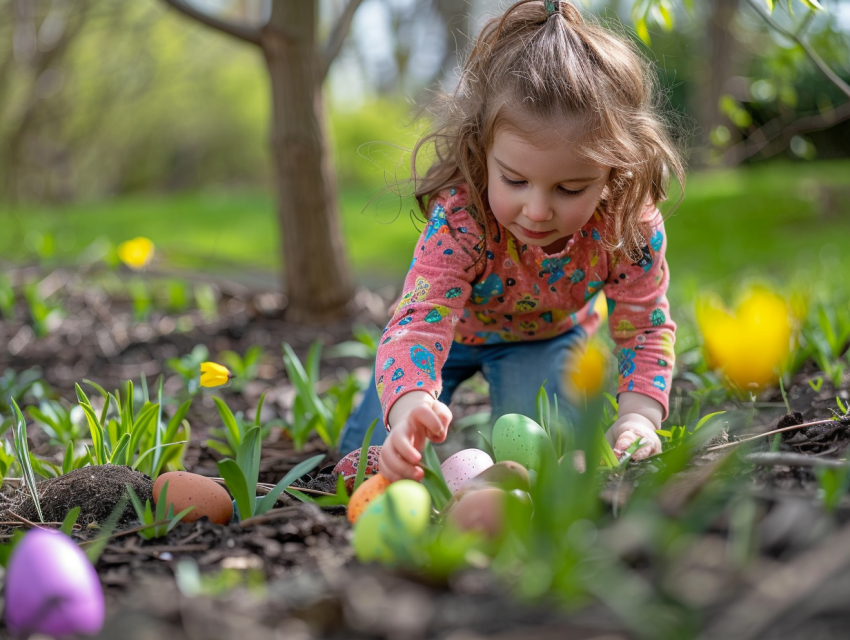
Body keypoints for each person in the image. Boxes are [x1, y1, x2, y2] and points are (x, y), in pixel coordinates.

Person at [339, 0, 685, 482]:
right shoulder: (464, 218)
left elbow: (644, 327)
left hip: (544, 340)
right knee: (368, 459)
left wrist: (639, 417)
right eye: (515, 180)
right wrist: (410, 406)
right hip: (450, 333)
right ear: (482, 150)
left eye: (570, 188)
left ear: (615, 170)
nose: (538, 211)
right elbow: (419, 320)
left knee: (545, 460)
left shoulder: (627, 227)